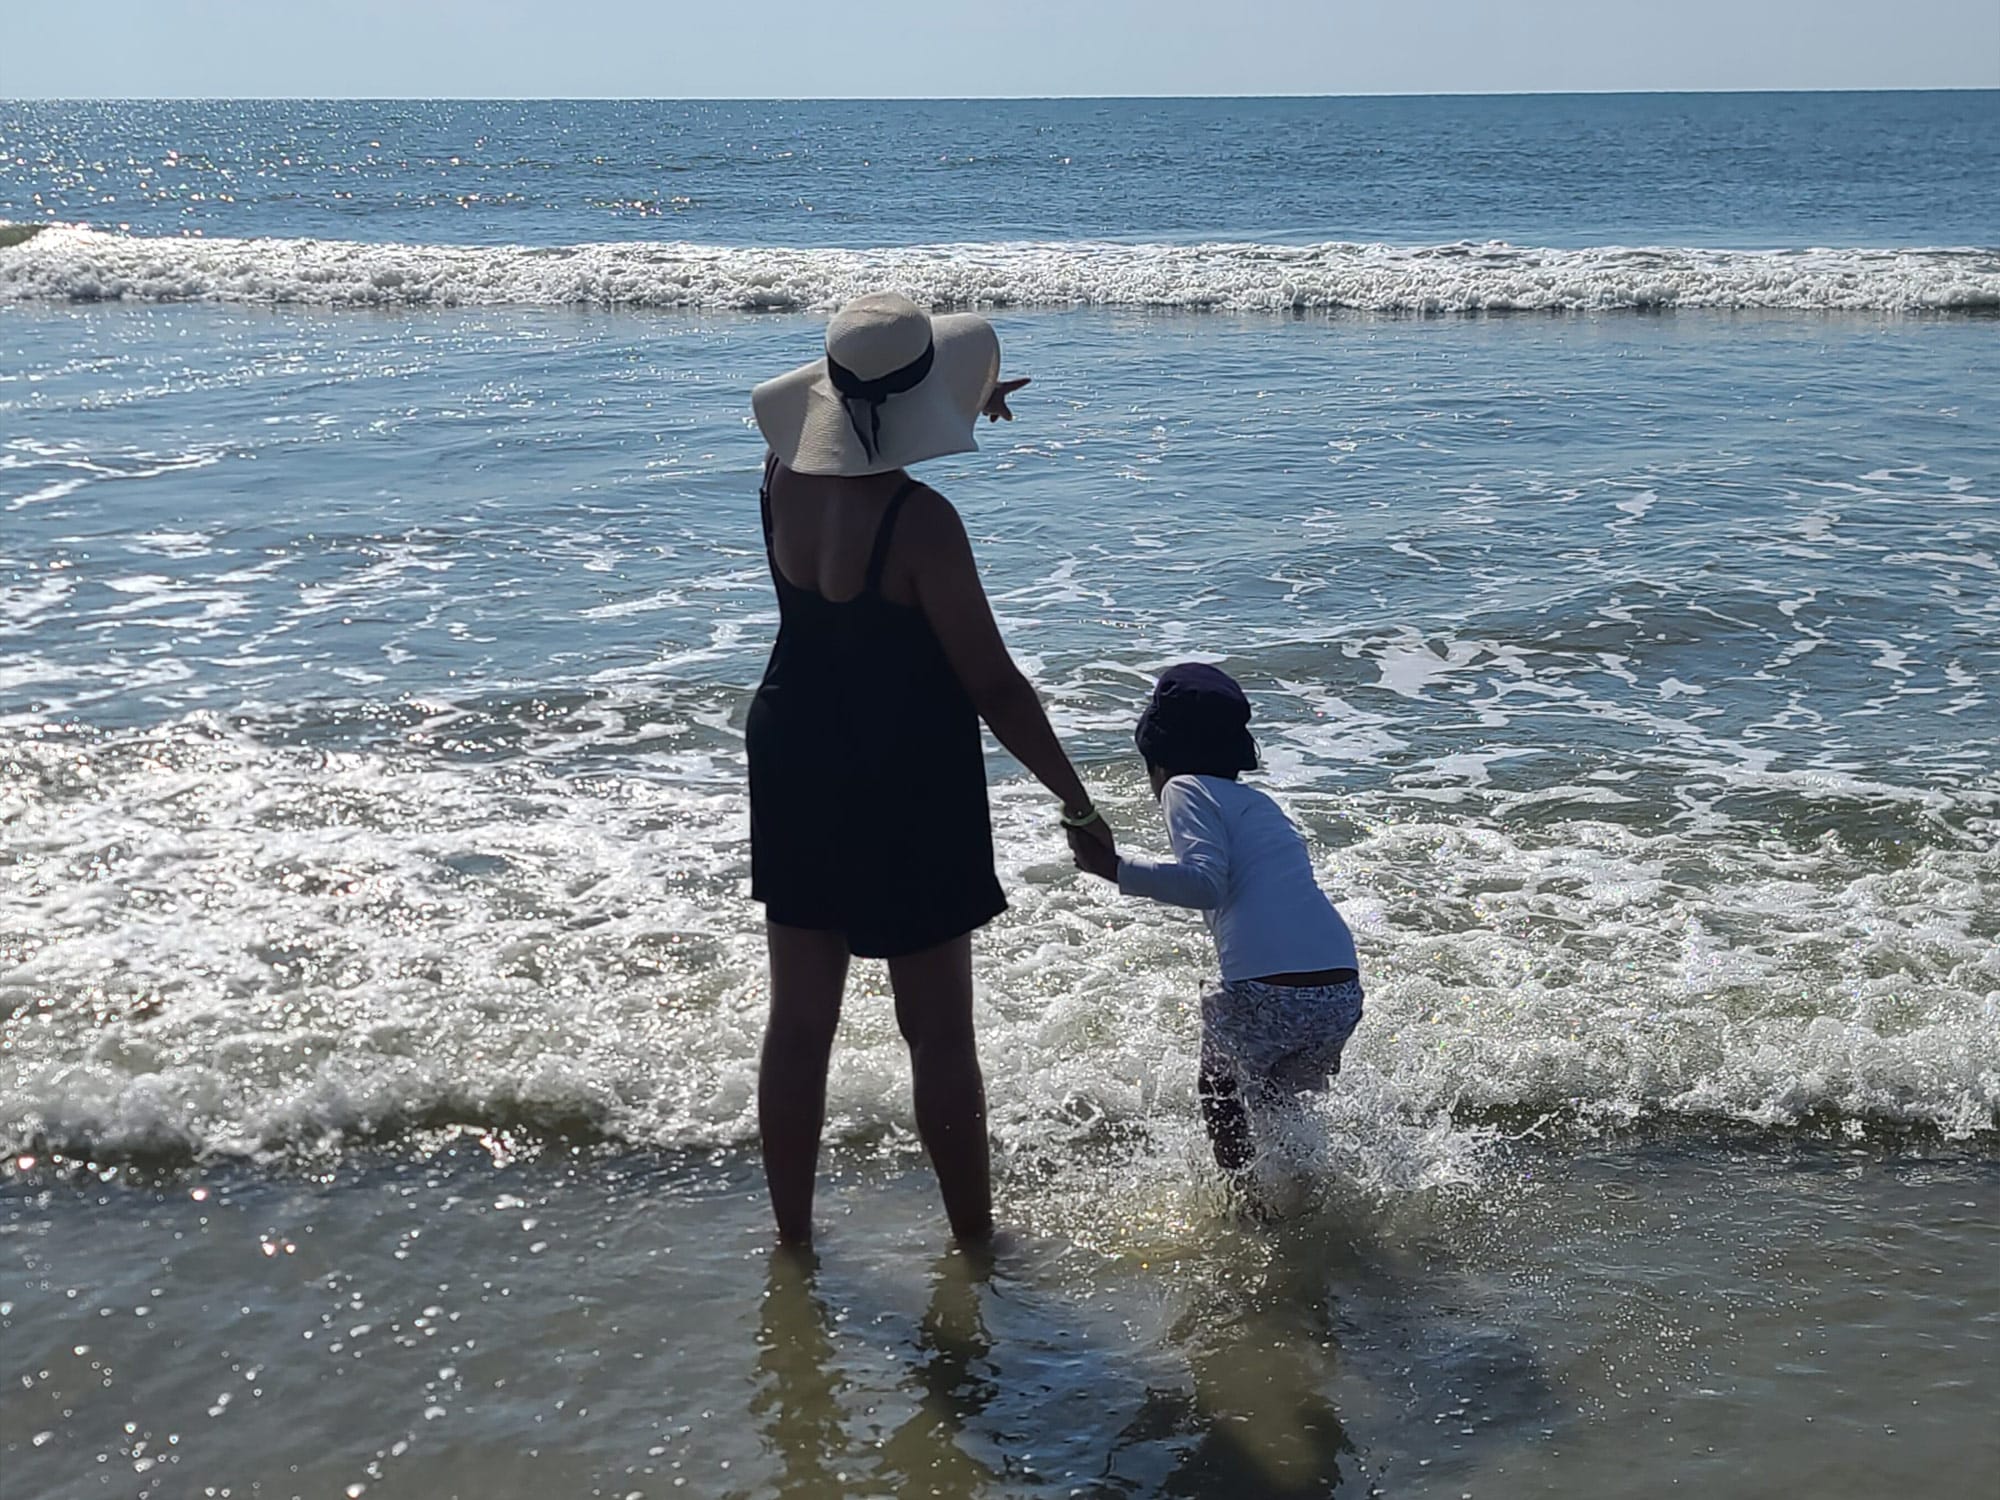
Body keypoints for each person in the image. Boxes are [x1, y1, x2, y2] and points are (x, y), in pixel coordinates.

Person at [746, 291, 1113, 1246]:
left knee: (800, 1021)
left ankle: (793, 1239)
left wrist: (958, 401)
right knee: (939, 1034)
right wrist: (1077, 804)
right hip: (905, 769)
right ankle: (974, 1244)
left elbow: (862, 431)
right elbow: (992, 683)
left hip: (794, 747)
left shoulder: (781, 471)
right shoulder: (921, 523)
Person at [1069, 664, 1361, 1178]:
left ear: (1156, 755)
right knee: (1277, 1106)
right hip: (1339, 989)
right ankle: (1308, 1193)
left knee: (1219, 1089)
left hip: (1268, 989)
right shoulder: (1259, 803)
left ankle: (1247, 1208)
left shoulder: (1184, 788)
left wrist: (1110, 868)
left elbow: (1206, 882)